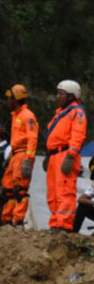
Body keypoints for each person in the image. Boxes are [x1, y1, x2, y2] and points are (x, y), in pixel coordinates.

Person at [45, 80, 88, 232]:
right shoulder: (61, 113)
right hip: (55, 155)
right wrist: (48, 155)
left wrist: (70, 156)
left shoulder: (77, 112)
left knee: (65, 191)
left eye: (61, 94)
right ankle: (56, 222)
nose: (58, 96)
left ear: (71, 96)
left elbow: (78, 135)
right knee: (53, 192)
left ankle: (64, 224)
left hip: (65, 155)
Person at [1, 85, 38, 226]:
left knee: (20, 189)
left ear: (15, 99)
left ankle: (17, 219)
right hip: (15, 155)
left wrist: (28, 159)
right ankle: (7, 219)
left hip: (23, 155)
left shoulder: (27, 116)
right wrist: (11, 156)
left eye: (9, 99)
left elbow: (32, 138)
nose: (7, 101)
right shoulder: (16, 115)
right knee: (8, 188)